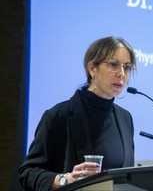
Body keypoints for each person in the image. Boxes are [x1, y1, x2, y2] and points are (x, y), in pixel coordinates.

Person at [19, 36, 137, 191]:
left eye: (127, 67)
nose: (121, 73)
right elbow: (27, 173)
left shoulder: (125, 119)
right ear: (92, 68)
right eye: (113, 65)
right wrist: (64, 179)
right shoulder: (58, 116)